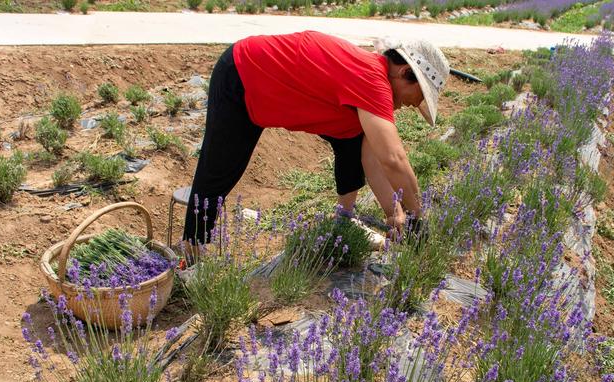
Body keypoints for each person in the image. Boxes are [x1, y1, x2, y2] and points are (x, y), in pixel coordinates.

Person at [182, 30, 450, 246]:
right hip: (244, 73)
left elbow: (374, 159)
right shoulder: (372, 81)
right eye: (417, 99)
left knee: (352, 140)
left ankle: (344, 220)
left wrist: (396, 215)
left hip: (272, 90)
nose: (411, 106)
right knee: (219, 172)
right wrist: (418, 219)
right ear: (404, 73)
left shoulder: (372, 78)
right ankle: (191, 254)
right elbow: (394, 159)